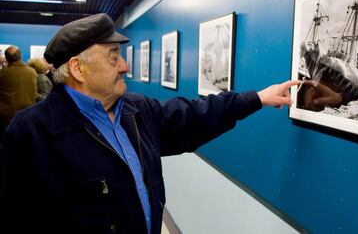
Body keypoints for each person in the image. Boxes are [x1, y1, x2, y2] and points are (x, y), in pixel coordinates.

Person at [0, 13, 300, 234]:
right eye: (113, 56)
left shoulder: (136, 110)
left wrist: (257, 98)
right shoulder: (33, 132)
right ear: (78, 68)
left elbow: (196, 115)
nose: (124, 66)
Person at [0, 46, 37, 137]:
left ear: (6, 58)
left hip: (6, 119)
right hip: (27, 117)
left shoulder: (3, 73)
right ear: (20, 56)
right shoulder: (32, 72)